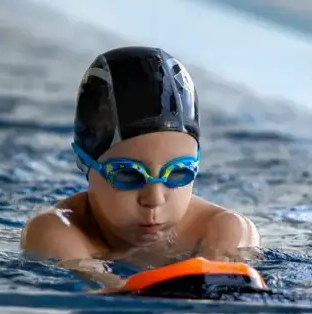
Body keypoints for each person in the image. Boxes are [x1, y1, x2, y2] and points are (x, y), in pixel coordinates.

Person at [20, 46, 261, 290]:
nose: (154, 199)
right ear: (84, 161)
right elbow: (112, 296)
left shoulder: (224, 229)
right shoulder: (57, 231)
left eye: (178, 172)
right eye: (128, 174)